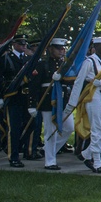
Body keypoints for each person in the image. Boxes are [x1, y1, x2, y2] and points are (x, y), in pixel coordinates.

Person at [67, 38, 101, 174]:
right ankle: (97, 161)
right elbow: (79, 81)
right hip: (93, 96)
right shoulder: (89, 62)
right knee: (97, 128)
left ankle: (86, 153)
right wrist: (72, 102)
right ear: (95, 47)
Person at [28, 37, 73, 171]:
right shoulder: (42, 64)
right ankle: (50, 161)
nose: (61, 51)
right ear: (50, 49)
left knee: (69, 128)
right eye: (58, 48)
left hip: (63, 101)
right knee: (50, 131)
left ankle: (49, 150)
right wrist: (32, 104)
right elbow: (34, 86)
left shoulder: (65, 65)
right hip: (48, 102)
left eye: (63, 48)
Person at [0, 33, 32, 167]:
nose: (23, 46)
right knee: (13, 128)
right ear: (14, 45)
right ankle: (13, 157)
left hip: (26, 97)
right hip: (12, 97)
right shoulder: (6, 59)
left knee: (30, 125)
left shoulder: (29, 59)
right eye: (20, 44)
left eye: (25, 44)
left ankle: (16, 148)